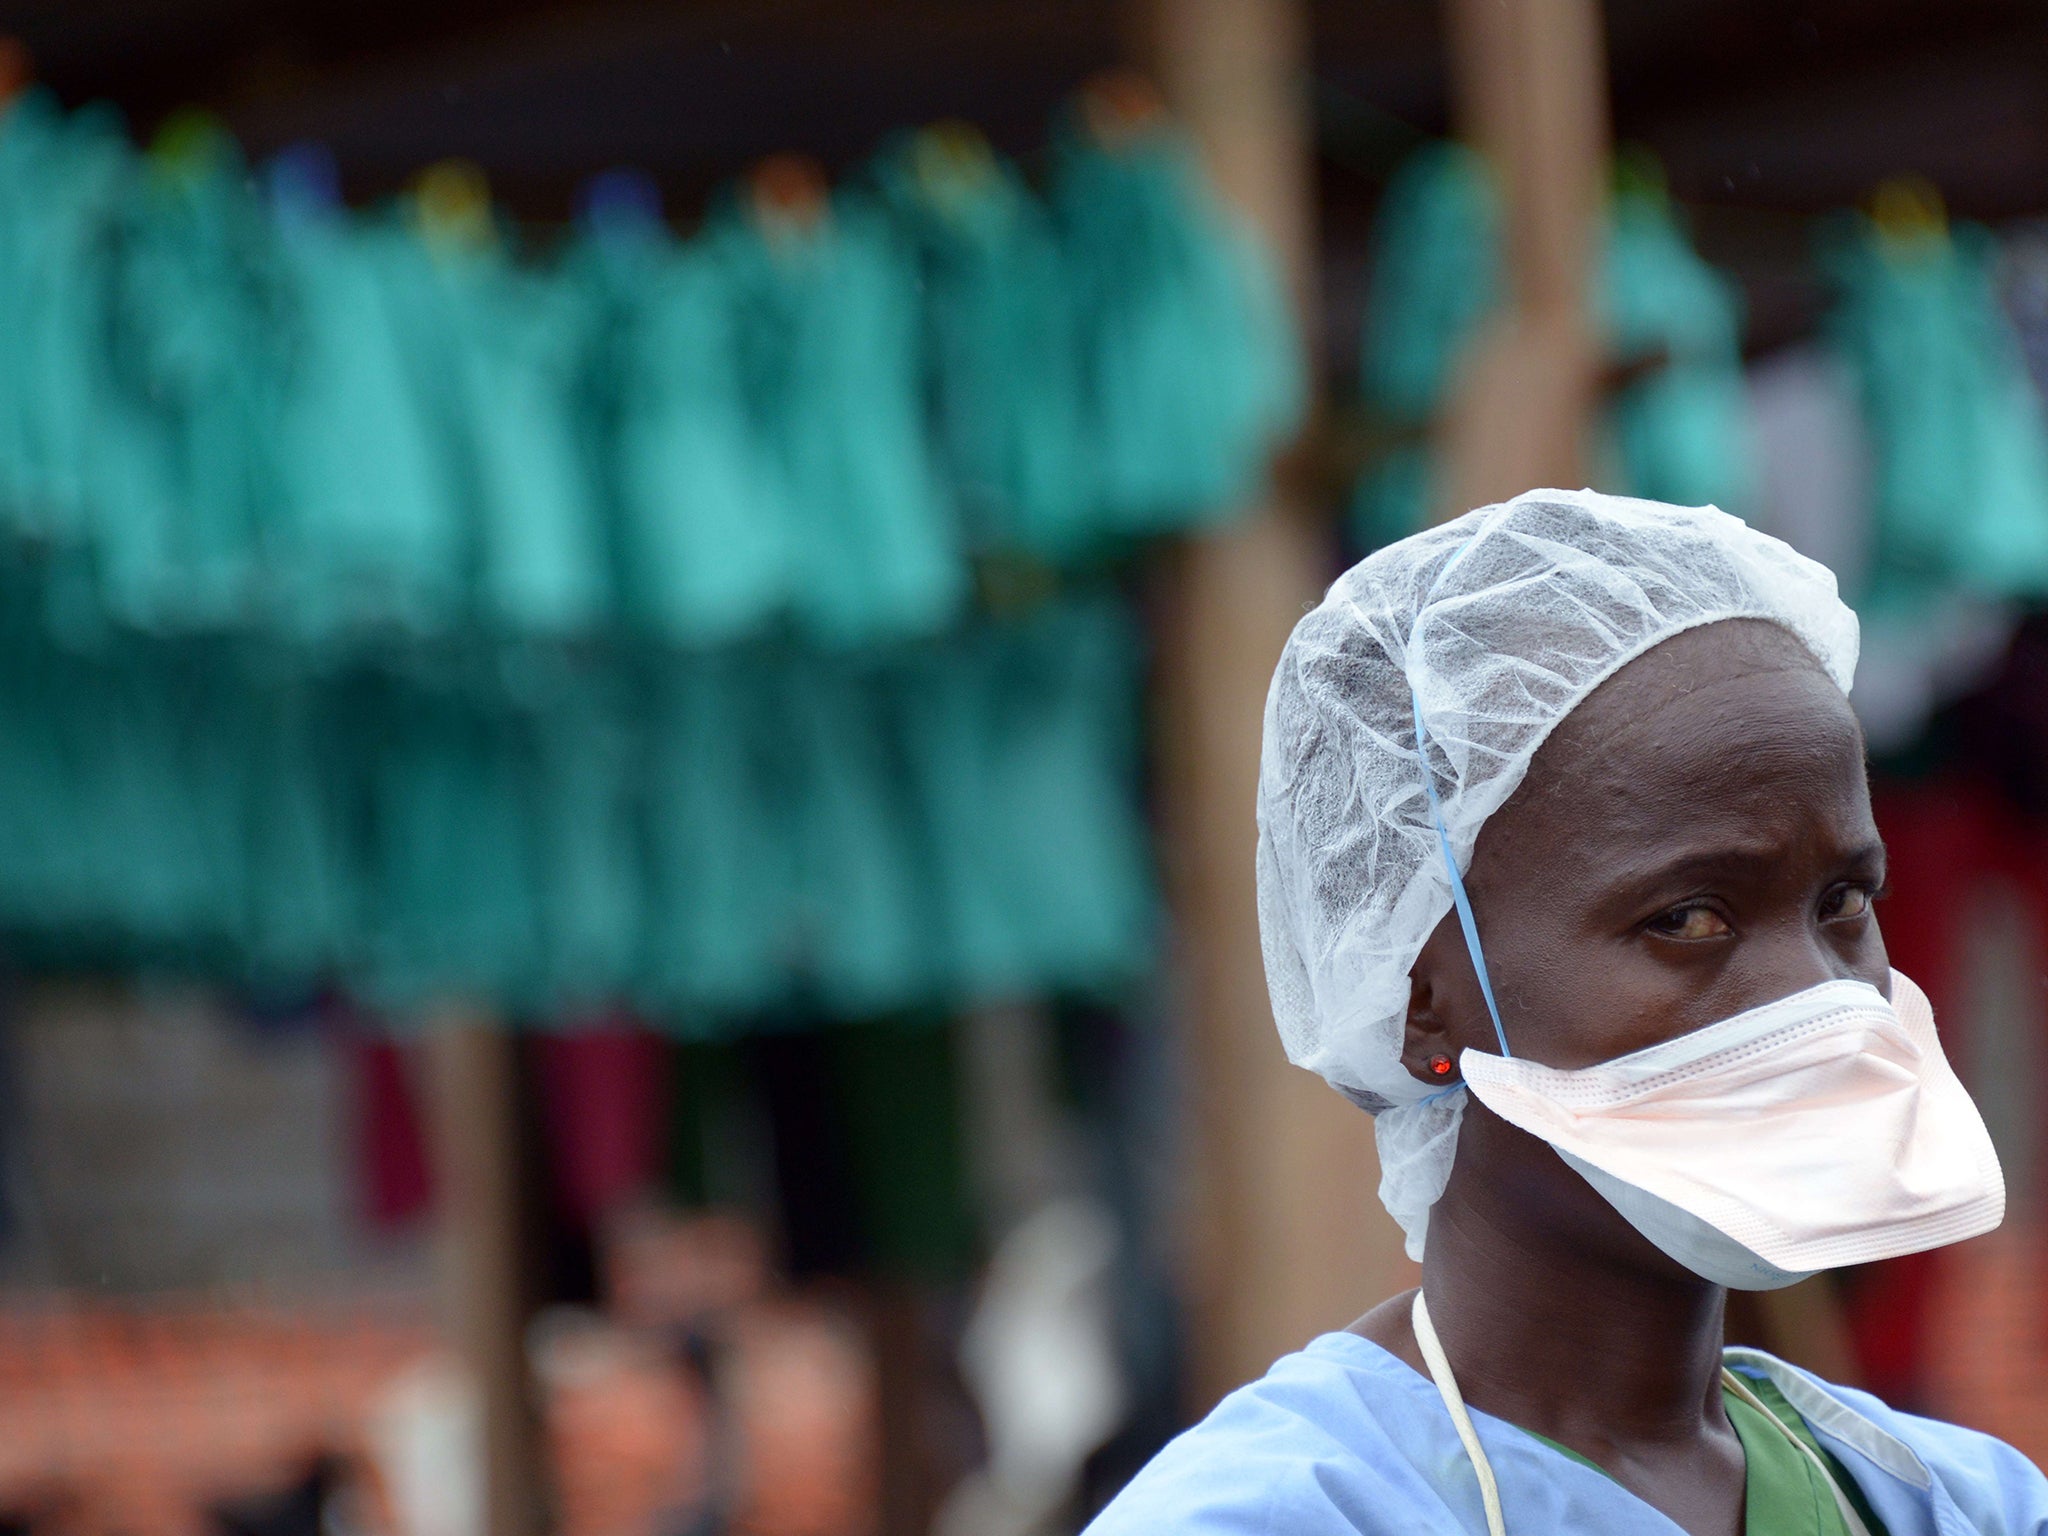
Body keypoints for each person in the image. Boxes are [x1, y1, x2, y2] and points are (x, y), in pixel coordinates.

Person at [1085, 489, 2038, 1536]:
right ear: (1421, 999)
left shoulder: (1946, 1503)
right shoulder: (1280, 1515)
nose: (1809, 996)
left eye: (1842, 903)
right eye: (1686, 918)